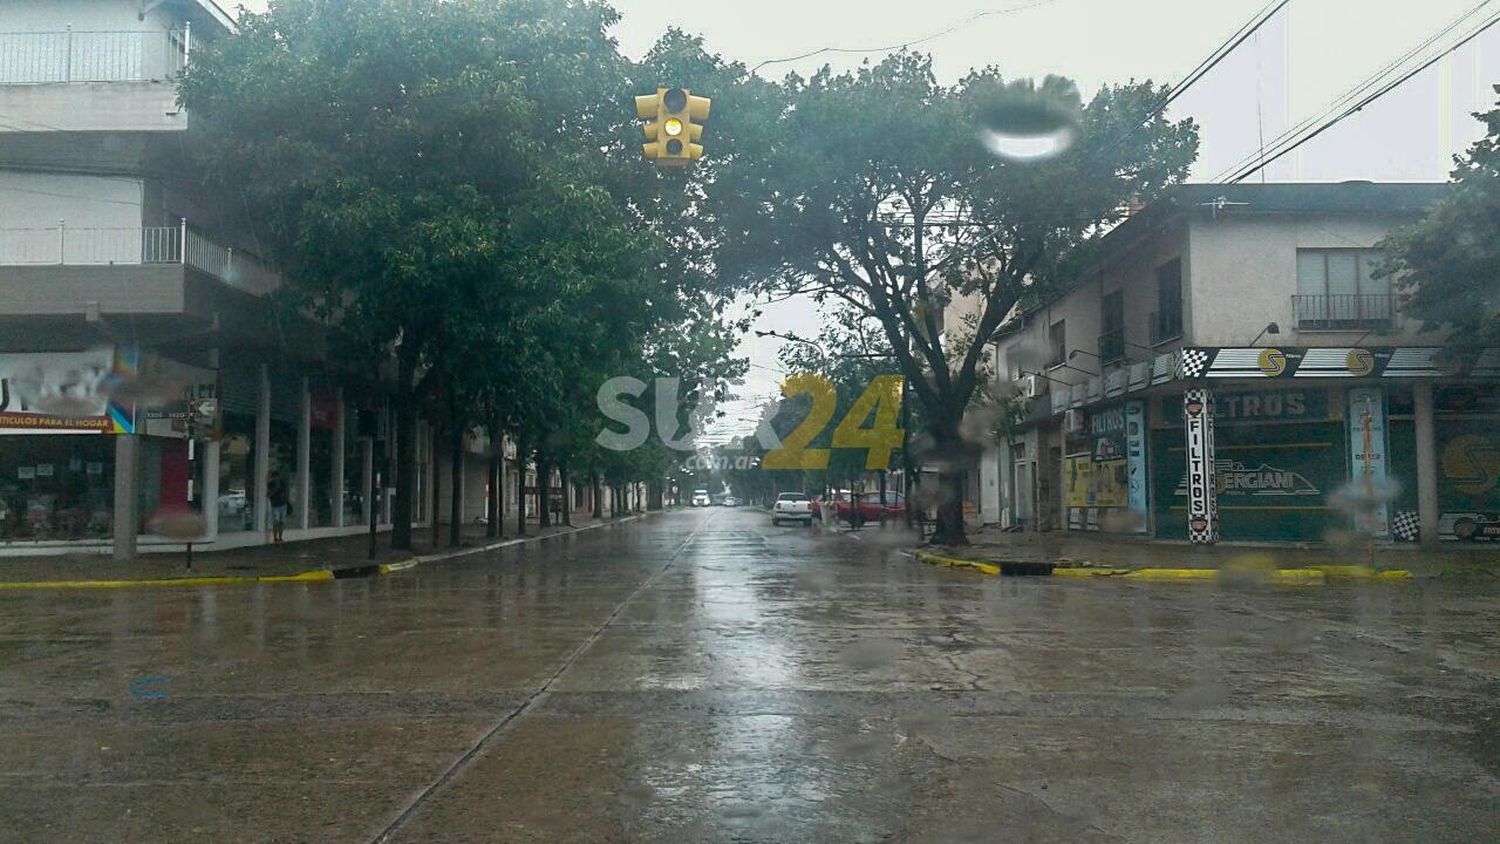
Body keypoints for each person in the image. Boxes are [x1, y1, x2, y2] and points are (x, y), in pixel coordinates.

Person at [268, 477, 289, 544]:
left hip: (282, 505)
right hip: (275, 505)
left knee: (281, 522)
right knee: (276, 521)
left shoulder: (282, 485)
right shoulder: (271, 485)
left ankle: (280, 538)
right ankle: (275, 538)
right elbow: (269, 494)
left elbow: (285, 494)